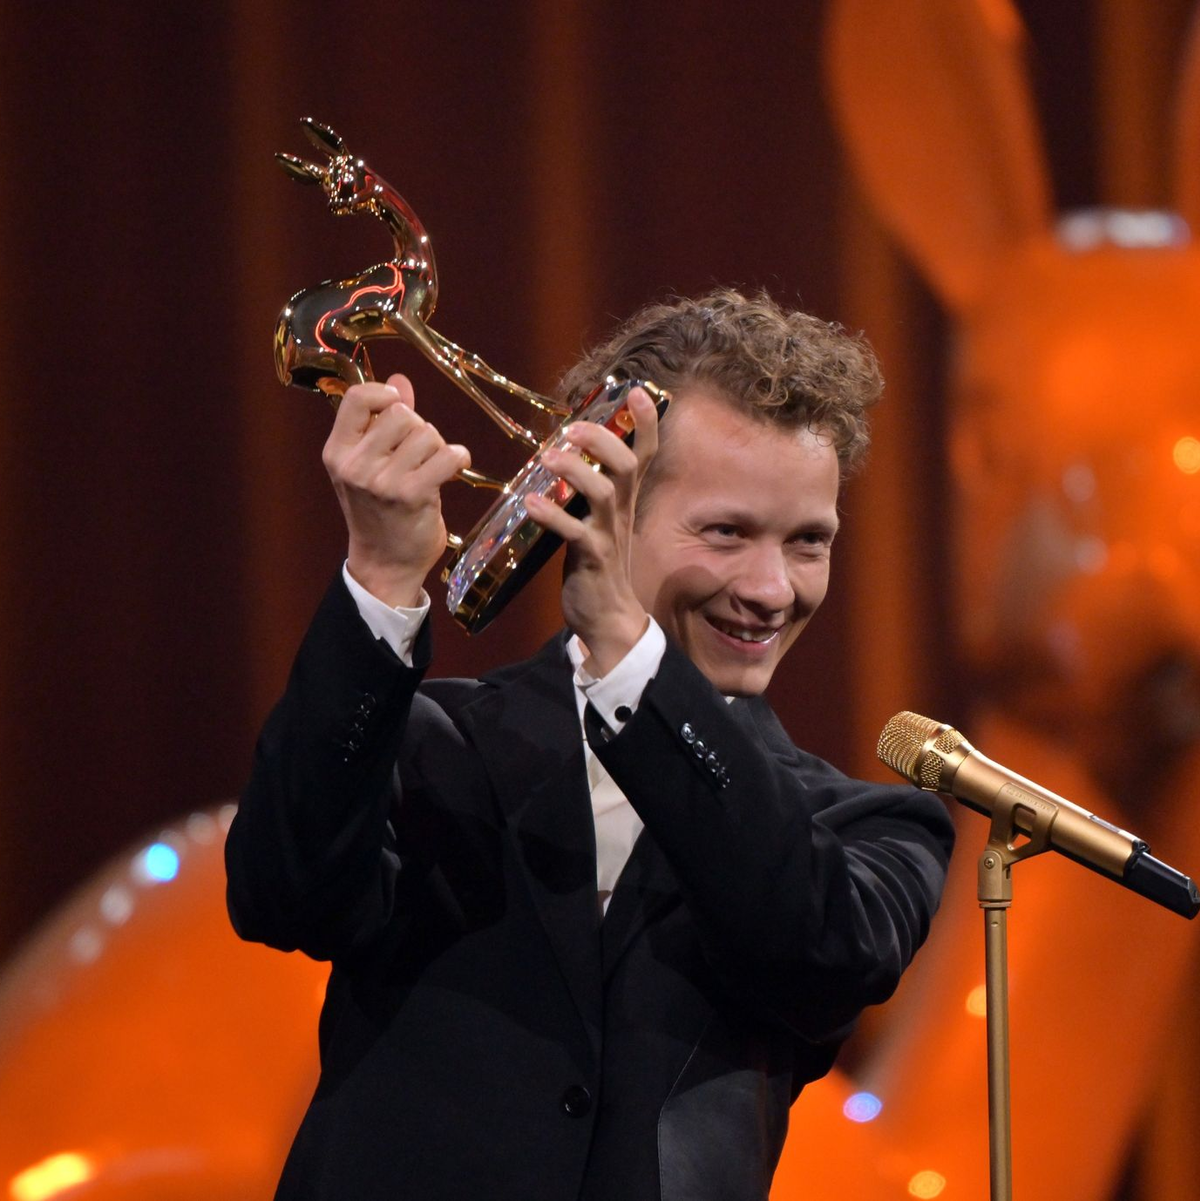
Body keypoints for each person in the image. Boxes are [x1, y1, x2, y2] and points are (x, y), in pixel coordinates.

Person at [225, 288, 954, 1201]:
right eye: (726, 532)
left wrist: (626, 647)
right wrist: (379, 575)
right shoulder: (435, 745)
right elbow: (279, 896)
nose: (772, 589)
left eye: (808, 541)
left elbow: (815, 953)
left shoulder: (868, 827)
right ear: (593, 501)